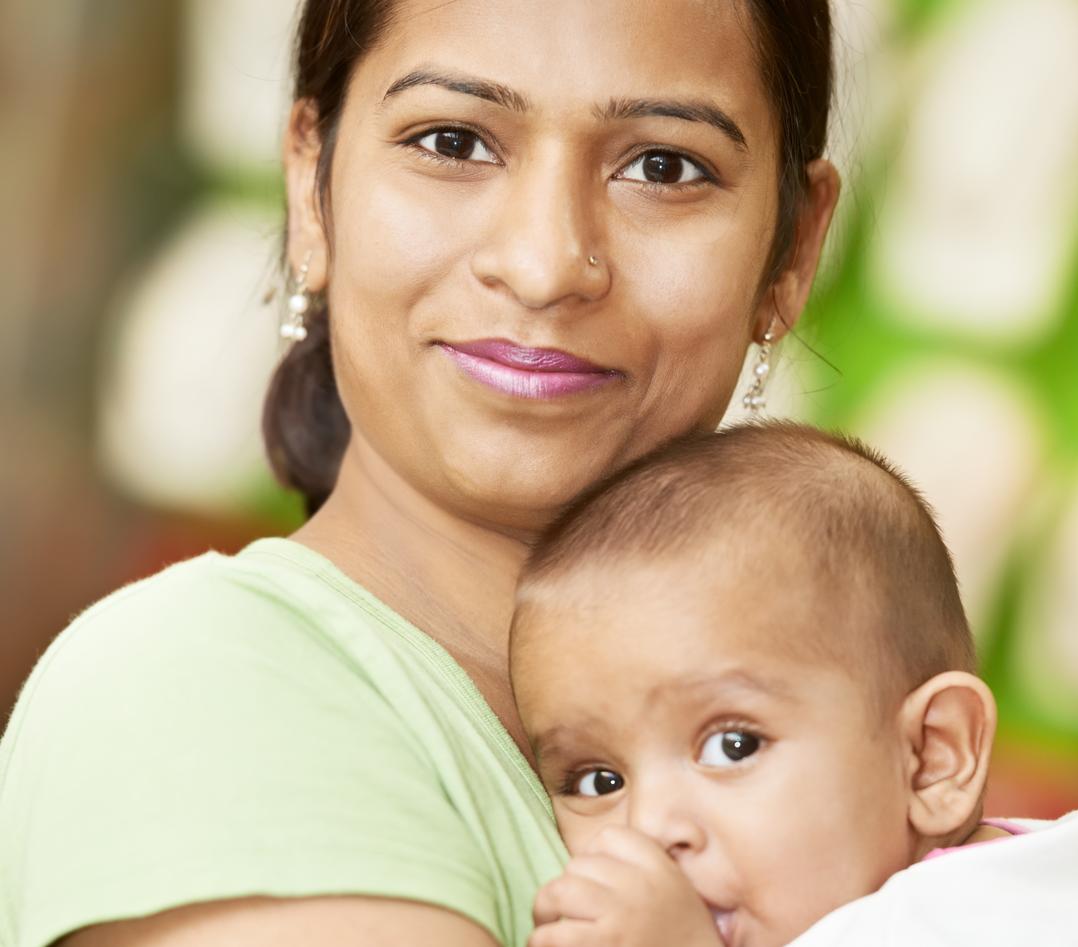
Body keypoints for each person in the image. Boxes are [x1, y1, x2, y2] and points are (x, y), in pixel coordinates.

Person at [0, 2, 841, 946]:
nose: (545, 264)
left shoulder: (837, 756)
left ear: (793, 251)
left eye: (663, 165)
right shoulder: (188, 690)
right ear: (310, 191)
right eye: (453, 140)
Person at [511, 422, 1078, 947]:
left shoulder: (971, 919)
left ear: (931, 758)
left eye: (733, 746)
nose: (649, 826)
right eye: (598, 781)